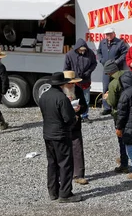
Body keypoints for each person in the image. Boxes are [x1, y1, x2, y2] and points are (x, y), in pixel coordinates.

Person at [38, 72, 82, 203]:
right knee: (65, 164)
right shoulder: (61, 98)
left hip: (48, 133)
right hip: (61, 134)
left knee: (52, 163)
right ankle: (65, 193)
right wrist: (74, 116)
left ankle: (53, 192)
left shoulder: (44, 96)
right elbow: (68, 119)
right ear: (62, 84)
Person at [103, 61, 132, 174]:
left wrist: (106, 97)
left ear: (109, 72)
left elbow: (112, 102)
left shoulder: (113, 84)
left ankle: (124, 164)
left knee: (121, 139)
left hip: (119, 114)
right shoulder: (129, 75)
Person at [62, 71, 89, 185]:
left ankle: (79, 174)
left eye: (73, 83)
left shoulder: (77, 90)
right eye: (70, 84)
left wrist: (80, 108)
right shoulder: (59, 92)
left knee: (77, 149)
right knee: (63, 150)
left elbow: (84, 105)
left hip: (75, 123)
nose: (72, 85)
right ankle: (65, 173)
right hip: (62, 125)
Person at [97, 27, 128, 115]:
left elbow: (125, 53)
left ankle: (118, 106)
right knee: (105, 87)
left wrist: (117, 62)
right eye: (107, 34)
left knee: (117, 87)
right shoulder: (102, 42)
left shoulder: (120, 42)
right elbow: (98, 52)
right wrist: (101, 60)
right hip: (106, 69)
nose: (109, 36)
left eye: (110, 34)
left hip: (116, 70)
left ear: (114, 33)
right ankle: (106, 107)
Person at [64, 39, 97, 121]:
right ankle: (74, 115)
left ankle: (85, 115)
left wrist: (88, 72)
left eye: (84, 50)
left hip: (86, 80)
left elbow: (94, 63)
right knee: (74, 99)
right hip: (74, 82)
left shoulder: (90, 53)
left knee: (86, 99)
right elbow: (66, 68)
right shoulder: (69, 55)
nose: (82, 52)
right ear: (77, 48)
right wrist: (71, 76)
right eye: (81, 50)